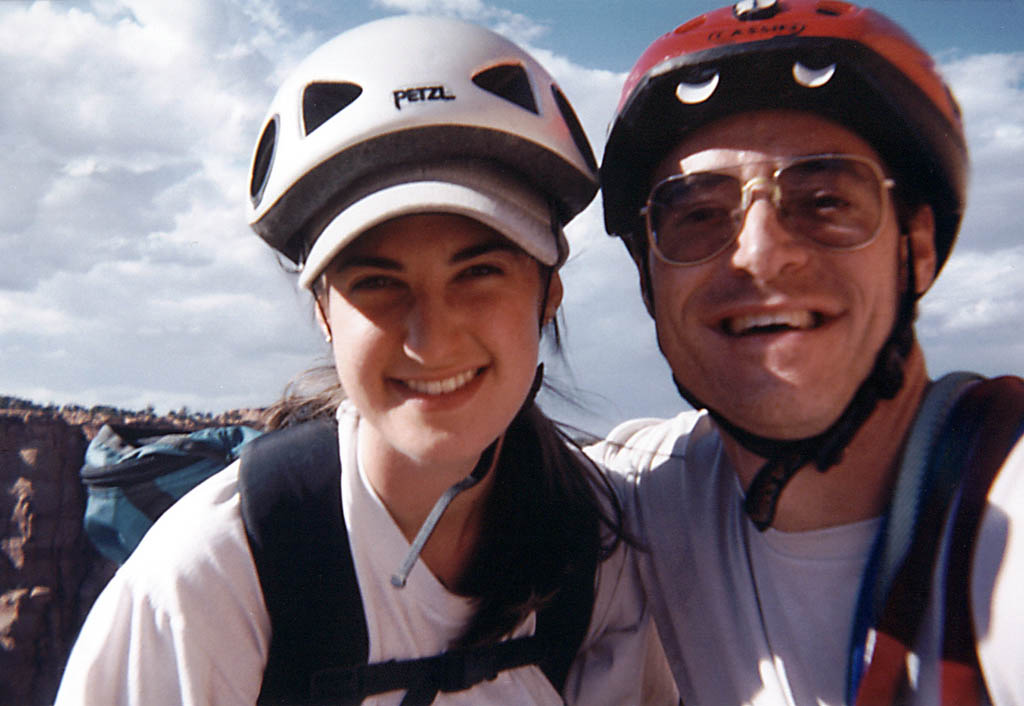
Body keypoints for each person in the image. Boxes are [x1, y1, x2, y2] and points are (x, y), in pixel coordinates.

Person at [56, 16, 676, 705]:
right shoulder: (215, 577)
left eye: (478, 273)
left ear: (547, 293)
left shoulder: (596, 552)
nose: (429, 337)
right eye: (376, 282)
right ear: (325, 312)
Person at [592, 1, 1024, 705]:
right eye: (699, 214)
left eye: (824, 199)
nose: (761, 254)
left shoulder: (1004, 498)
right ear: (648, 275)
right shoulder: (648, 499)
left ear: (914, 250)